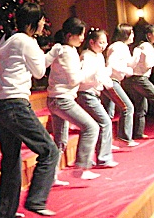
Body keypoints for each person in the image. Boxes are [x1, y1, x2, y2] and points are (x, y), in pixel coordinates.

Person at [0, 2, 61, 218]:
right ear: (33, 22)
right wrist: (53, 53)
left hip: (0, 104)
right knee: (49, 150)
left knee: (11, 159)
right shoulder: (26, 41)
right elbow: (39, 72)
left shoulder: (9, 39)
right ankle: (36, 200)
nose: (43, 23)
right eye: (41, 20)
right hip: (16, 104)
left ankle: (6, 211)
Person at [47, 17, 101, 181]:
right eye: (81, 34)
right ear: (70, 35)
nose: (83, 38)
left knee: (60, 141)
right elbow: (74, 79)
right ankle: (82, 166)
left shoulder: (66, 50)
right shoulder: (67, 52)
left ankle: (50, 177)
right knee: (91, 127)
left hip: (56, 98)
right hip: (62, 99)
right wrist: (90, 71)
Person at [77, 28, 118, 169]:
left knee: (93, 126)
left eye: (105, 42)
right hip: (85, 93)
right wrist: (99, 75)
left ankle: (89, 159)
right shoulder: (86, 56)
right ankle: (103, 158)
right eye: (101, 42)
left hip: (93, 93)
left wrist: (106, 79)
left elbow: (102, 76)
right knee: (105, 122)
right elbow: (83, 77)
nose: (103, 46)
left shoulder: (99, 56)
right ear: (91, 42)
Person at [123, 24, 154, 138]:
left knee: (141, 106)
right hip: (140, 78)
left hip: (132, 79)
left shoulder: (142, 45)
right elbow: (148, 64)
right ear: (149, 35)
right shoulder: (147, 46)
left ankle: (138, 133)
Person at [104, 23, 141, 146]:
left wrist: (136, 55)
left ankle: (107, 143)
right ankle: (124, 137)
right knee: (127, 107)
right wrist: (126, 71)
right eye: (131, 33)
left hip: (111, 81)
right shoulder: (119, 46)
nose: (133, 36)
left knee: (109, 113)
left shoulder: (120, 46)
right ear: (125, 34)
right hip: (111, 81)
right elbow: (111, 63)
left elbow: (129, 64)